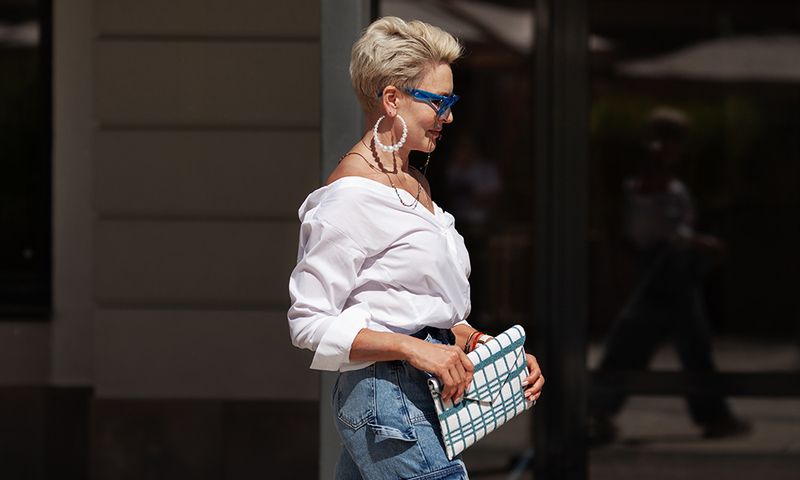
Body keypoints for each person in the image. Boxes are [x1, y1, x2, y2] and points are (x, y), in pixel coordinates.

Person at [288, 17, 544, 479]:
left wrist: (486, 347)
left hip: (411, 394)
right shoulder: (349, 196)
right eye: (439, 102)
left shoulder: (413, 181)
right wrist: (414, 350)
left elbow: (420, 307)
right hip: (387, 398)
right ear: (392, 99)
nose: (449, 116)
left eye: (452, 101)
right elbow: (309, 323)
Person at [590, 107, 750, 443]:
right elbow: (655, 224)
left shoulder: (660, 174)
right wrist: (695, 242)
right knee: (654, 342)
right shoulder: (653, 172)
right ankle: (595, 411)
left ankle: (598, 410)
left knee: (651, 342)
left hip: (671, 267)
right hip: (665, 267)